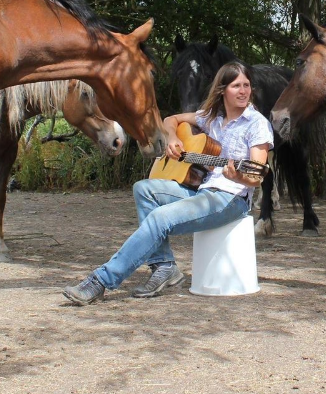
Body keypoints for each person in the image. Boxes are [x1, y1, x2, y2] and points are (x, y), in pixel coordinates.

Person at [63, 61, 273, 304]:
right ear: (222, 89)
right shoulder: (212, 118)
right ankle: (164, 266)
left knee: (159, 218)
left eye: (247, 85)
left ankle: (100, 281)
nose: (244, 91)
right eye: (237, 85)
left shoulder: (257, 124)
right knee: (144, 189)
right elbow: (170, 120)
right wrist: (173, 138)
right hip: (204, 192)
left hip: (231, 199)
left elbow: (256, 177)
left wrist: (238, 176)